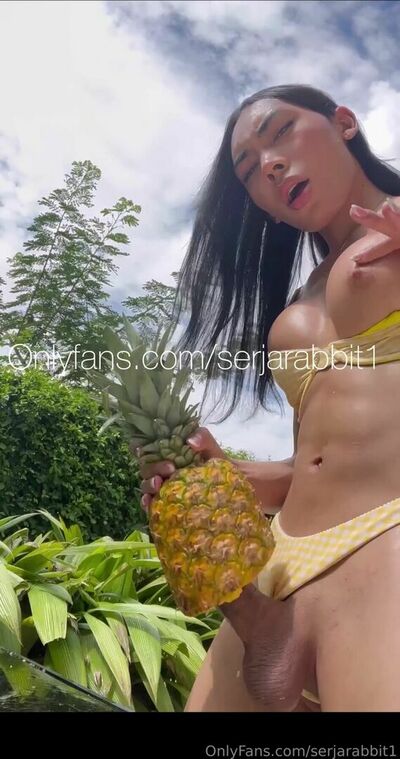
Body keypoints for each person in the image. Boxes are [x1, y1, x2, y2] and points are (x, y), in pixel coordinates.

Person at [138, 84, 400, 712]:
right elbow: (313, 464)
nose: (270, 165)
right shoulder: (303, 296)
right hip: (283, 562)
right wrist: (222, 475)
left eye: (280, 132)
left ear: (344, 123)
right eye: (249, 170)